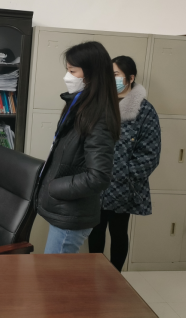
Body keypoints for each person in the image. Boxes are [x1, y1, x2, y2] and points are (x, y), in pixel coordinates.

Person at [37, 41, 121, 254]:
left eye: (72, 71)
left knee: (53, 273)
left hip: (72, 215)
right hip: (66, 210)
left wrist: (53, 187)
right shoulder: (79, 106)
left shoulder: (98, 116)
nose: (67, 77)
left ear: (91, 74)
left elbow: (98, 176)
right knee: (54, 271)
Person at [88, 55, 161, 271]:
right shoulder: (98, 104)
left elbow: (150, 153)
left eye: (116, 74)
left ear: (130, 78)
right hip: (95, 181)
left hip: (124, 186)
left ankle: (116, 277)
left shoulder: (144, 110)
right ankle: (93, 274)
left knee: (118, 232)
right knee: (94, 229)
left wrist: (124, 174)